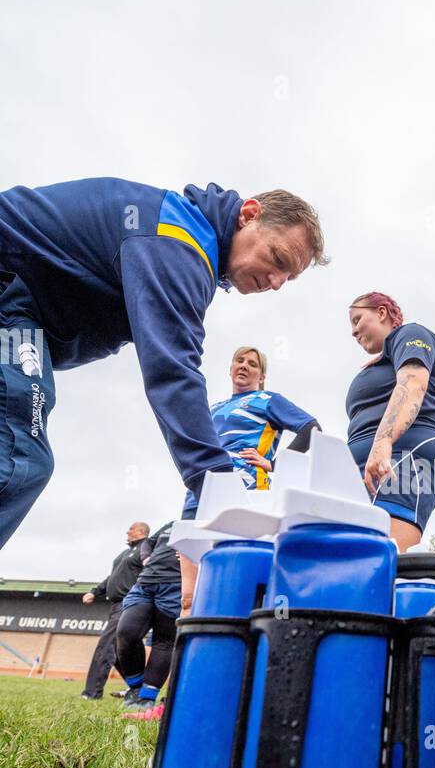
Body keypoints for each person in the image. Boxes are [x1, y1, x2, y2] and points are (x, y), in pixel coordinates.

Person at [0, 181, 327, 551]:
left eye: (290, 278)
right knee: (19, 458)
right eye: (279, 259)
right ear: (249, 215)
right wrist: (222, 491)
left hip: (20, 308)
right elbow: (173, 371)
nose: (277, 283)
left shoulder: (179, 235)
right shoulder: (178, 241)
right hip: (9, 301)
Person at [178, 345, 320, 611]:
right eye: (239, 361)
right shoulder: (213, 407)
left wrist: (275, 464)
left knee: (235, 584)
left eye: (253, 364)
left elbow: (311, 428)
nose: (244, 366)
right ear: (230, 369)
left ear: (262, 376)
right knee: (189, 597)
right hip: (200, 492)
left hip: (244, 494)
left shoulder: (268, 400)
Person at [346, 293, 435, 551]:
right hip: (366, 466)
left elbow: (413, 382)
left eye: (358, 319)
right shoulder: (382, 361)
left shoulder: (411, 333)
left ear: (382, 313)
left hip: (405, 456)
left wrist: (382, 442)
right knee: (350, 558)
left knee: (384, 560)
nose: (353, 331)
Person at [114, 522, 181, 720]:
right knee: (126, 633)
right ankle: (135, 687)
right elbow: (148, 543)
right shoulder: (172, 524)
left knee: (163, 641)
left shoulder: (208, 517)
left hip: (176, 584)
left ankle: (147, 698)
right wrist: (146, 558)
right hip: (146, 581)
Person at [79, 521, 150, 699]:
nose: (127, 531)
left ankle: (92, 693)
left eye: (131, 529)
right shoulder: (125, 553)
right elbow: (113, 577)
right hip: (116, 604)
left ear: (141, 531)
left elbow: (152, 571)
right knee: (120, 651)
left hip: (130, 604)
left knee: (106, 646)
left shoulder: (146, 549)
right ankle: (138, 689)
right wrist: (95, 591)